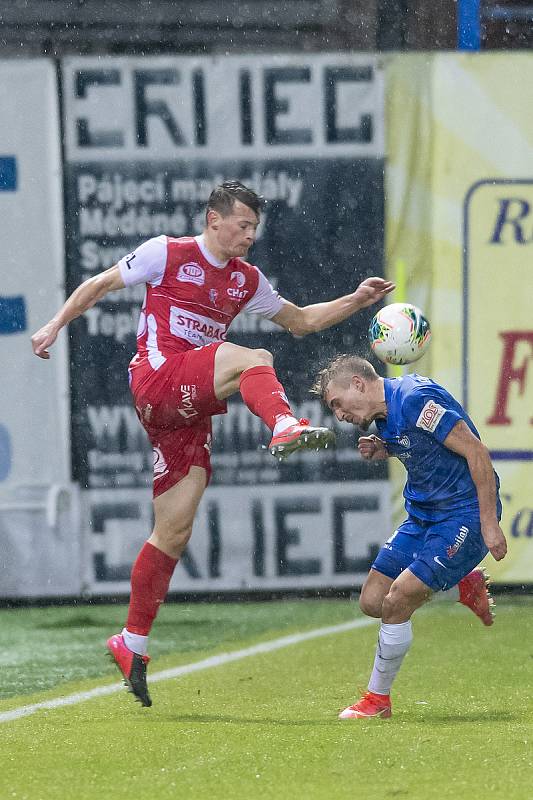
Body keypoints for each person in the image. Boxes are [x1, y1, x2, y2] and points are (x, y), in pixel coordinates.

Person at [31, 181, 394, 707]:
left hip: (186, 407)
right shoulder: (167, 252)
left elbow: (302, 322)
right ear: (213, 219)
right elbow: (100, 284)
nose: (250, 236)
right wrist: (54, 325)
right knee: (254, 359)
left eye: (255, 228)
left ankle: (131, 641)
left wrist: (357, 300)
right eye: (243, 226)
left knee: (173, 530)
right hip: (157, 380)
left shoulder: (246, 280)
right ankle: (285, 425)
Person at [311, 354, 507, 719]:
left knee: (398, 600)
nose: (338, 415)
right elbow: (419, 442)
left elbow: (476, 450)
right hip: (422, 517)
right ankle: (463, 582)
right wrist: (383, 447)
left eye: (337, 403)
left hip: (461, 515)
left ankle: (377, 701)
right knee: (373, 602)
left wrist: (488, 522)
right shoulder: (383, 419)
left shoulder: (415, 398)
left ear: (357, 383)